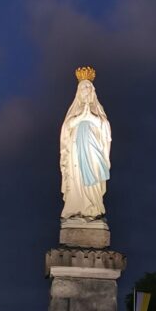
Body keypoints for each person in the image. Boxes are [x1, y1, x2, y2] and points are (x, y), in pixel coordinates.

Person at [60, 71, 111, 220]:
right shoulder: (74, 111)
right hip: (75, 153)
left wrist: (91, 118)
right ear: (78, 92)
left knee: (93, 178)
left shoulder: (98, 111)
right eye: (83, 87)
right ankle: (76, 209)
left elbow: (106, 130)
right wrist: (81, 118)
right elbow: (65, 129)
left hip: (93, 152)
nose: (86, 90)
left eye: (89, 87)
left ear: (93, 91)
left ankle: (93, 209)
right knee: (78, 180)